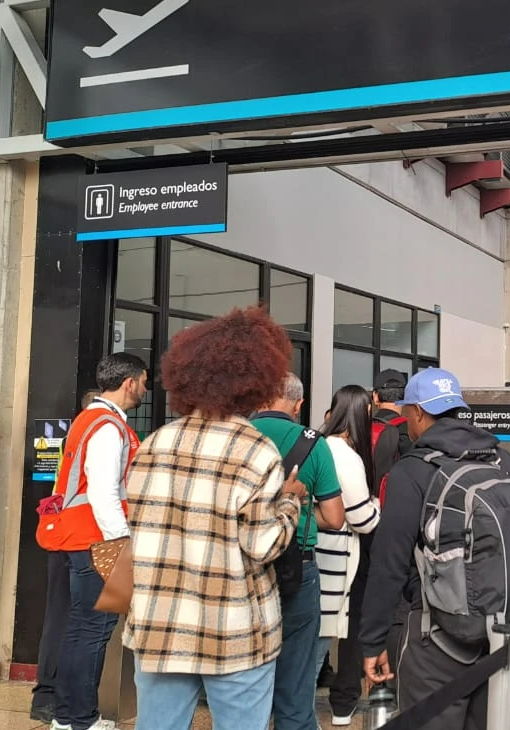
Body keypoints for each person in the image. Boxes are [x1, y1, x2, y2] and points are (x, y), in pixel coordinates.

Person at [124, 307, 308, 730]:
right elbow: (262, 545)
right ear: (257, 382)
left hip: (159, 620)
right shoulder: (255, 448)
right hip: (234, 628)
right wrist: (289, 504)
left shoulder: (154, 443)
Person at [361, 368, 510, 730]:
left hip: (438, 637)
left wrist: (372, 640)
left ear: (416, 412)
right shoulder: (501, 459)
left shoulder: (412, 471)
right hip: (504, 633)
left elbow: (389, 563)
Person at [42, 354, 148, 730]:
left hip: (81, 539)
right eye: (143, 381)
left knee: (79, 629)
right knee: (93, 632)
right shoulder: (107, 426)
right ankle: (81, 720)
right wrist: (122, 545)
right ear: (130, 383)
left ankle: (67, 717)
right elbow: (103, 492)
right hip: (98, 541)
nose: (145, 388)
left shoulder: (90, 419)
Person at [252, 373, 345, 730]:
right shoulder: (313, 443)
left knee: (245, 681)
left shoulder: (236, 436)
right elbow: (335, 518)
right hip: (297, 569)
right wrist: (299, 508)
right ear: (299, 404)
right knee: (296, 682)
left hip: (241, 566)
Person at [32, 388, 104, 723]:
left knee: (63, 617)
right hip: (78, 538)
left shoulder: (69, 439)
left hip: (62, 533)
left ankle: (52, 699)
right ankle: (56, 700)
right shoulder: (93, 436)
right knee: (76, 621)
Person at [318, 385, 382, 726]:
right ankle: (340, 708)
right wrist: (377, 505)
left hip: (309, 553)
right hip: (338, 559)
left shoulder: (315, 444)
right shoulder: (347, 456)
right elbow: (363, 520)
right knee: (334, 634)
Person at [370, 369, 410, 503]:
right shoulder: (410, 431)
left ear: (375, 397)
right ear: (404, 398)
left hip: (364, 506)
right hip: (396, 504)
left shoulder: (360, 428)